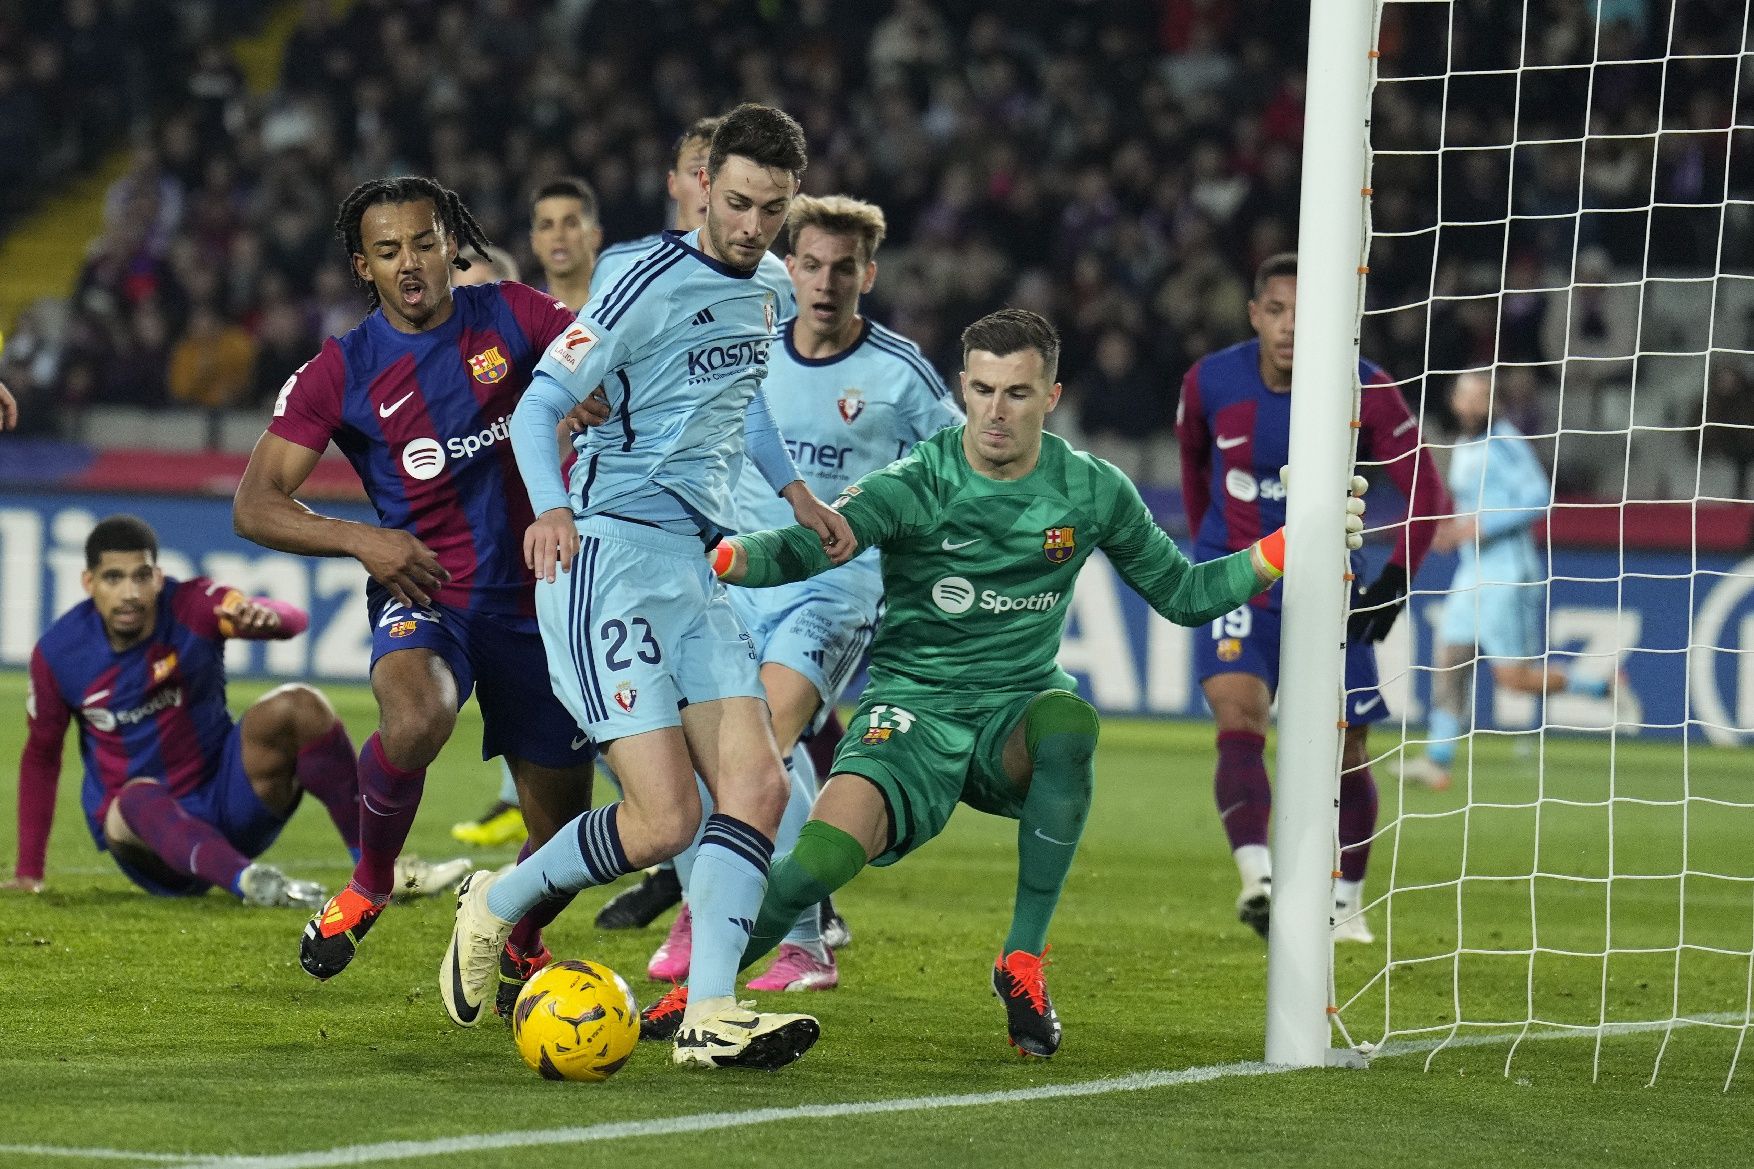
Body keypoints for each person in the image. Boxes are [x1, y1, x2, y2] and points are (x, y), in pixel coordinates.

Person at [634, 308, 1368, 1058]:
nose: (995, 409)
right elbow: (813, 546)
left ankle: (1022, 959)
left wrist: (1287, 546)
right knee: (812, 869)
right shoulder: (917, 480)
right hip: (910, 711)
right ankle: (701, 994)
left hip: (1011, 716)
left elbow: (1184, 594)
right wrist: (728, 559)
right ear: (963, 385)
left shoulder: (1091, 490)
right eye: (982, 388)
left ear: (1051, 396)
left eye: (1016, 392)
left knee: (1069, 722)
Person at [442, 103, 853, 1071]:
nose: (754, 226)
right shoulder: (641, 278)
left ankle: (707, 1013)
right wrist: (548, 510)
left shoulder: (765, 289)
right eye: (740, 202)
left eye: (773, 209)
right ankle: (493, 902)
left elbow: (741, 400)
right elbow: (543, 398)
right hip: (608, 558)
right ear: (701, 184)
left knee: (753, 784)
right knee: (663, 818)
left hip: (694, 563)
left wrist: (794, 491)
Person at [232, 176, 608, 1002]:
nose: (411, 264)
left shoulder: (513, 313)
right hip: (429, 591)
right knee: (417, 714)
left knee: (570, 839)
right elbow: (255, 504)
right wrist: (363, 538)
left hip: (542, 599)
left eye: (425, 244)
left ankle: (521, 940)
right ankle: (370, 882)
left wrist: (594, 393)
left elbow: (605, 364)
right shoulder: (340, 369)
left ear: (452, 247)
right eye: (389, 250)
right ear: (363, 265)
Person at [641, 193, 964, 994]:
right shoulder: (750, 349)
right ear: (791, 267)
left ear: (869, 274)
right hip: (742, 578)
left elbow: (958, 472)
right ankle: (718, 904)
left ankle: (796, 937)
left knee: (759, 740)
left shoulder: (900, 374)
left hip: (835, 591)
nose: (824, 282)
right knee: (688, 745)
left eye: (843, 267)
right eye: (810, 264)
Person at [1176, 252, 1450, 945]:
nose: (1290, 326)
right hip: (1239, 572)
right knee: (1239, 712)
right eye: (1276, 309)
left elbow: (1429, 491)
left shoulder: (1365, 386)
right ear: (1253, 314)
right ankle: (1259, 877)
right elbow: (1194, 471)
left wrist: (1394, 578)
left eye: (1306, 312)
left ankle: (1346, 898)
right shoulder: (1210, 381)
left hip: (1328, 582)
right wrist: (1211, 564)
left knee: (1347, 744)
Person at [5, 516, 351, 906]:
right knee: (132, 799)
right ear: (89, 583)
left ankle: (376, 869)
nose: (129, 592)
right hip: (150, 843)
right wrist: (28, 871)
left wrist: (267, 616)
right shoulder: (59, 654)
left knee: (300, 704)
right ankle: (253, 883)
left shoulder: (193, 603)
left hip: (229, 803)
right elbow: (42, 756)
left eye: (141, 576)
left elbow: (293, 620)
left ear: (158, 576)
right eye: (113, 578)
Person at [585, 120, 726, 932]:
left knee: (757, 743)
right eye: (699, 171)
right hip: (623, 541)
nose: (709, 186)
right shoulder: (630, 270)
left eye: (724, 174)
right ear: (676, 183)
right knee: (646, 747)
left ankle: (784, 921)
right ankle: (680, 876)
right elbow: (565, 386)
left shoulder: (757, 280)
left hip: (717, 537)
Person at [1404, 370, 1607, 791]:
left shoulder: (1506, 442)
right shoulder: (1463, 444)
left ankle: (1599, 686)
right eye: (1465, 396)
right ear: (1455, 401)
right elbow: (1472, 507)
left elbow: (1539, 498)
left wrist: (1482, 527)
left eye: (1481, 396)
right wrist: (1452, 531)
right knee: (1449, 660)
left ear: (1493, 401)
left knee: (1513, 681)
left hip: (1508, 575)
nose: (1472, 404)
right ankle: (1438, 761)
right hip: (1471, 572)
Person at [588, 116, 719, 299]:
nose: (707, 186)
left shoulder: (765, 274)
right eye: (696, 172)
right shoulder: (617, 265)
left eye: (719, 175)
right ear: (672, 183)